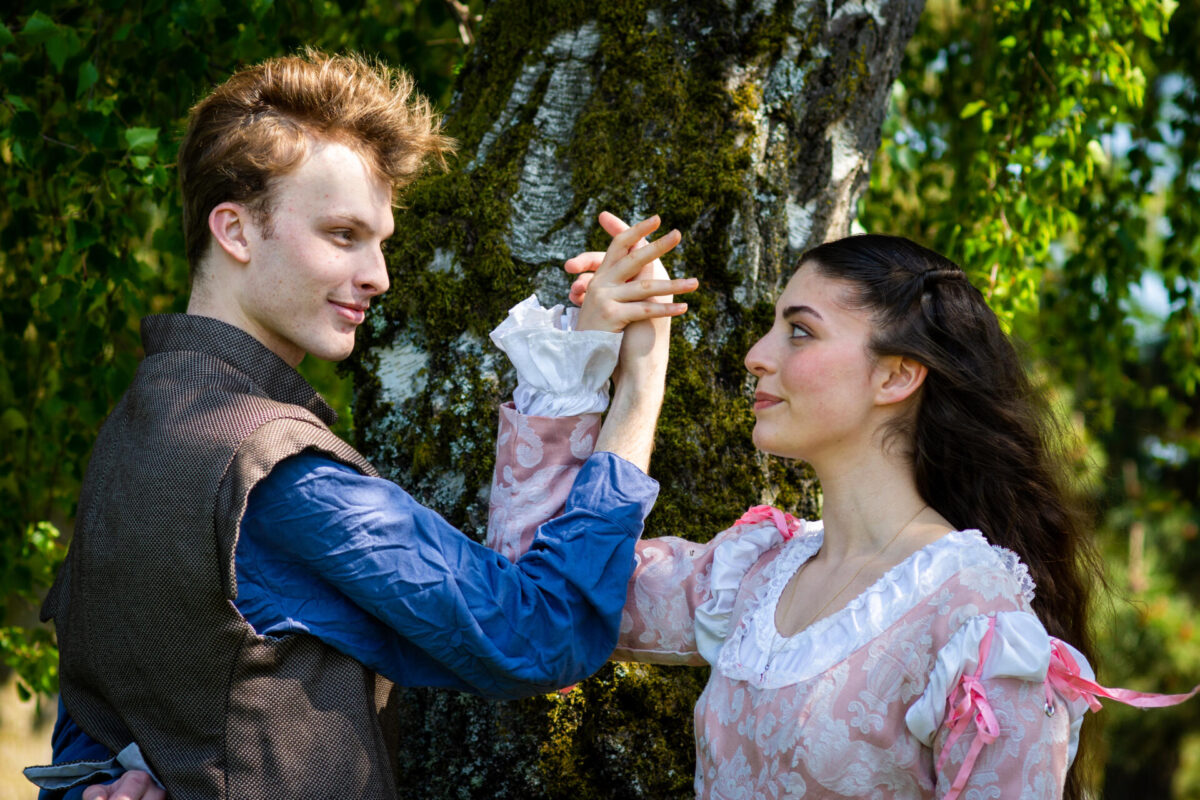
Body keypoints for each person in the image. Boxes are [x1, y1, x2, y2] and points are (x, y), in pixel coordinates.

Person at [24, 50, 698, 800]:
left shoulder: (130, 434)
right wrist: (637, 385)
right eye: (343, 235)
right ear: (236, 231)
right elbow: (542, 634)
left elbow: (89, 723)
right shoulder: (279, 475)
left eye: (380, 241)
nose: (378, 274)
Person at [489, 232, 1200, 799]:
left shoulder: (976, 628)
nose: (756, 356)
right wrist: (634, 382)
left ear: (896, 375)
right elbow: (547, 603)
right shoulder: (757, 575)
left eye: (799, 331)